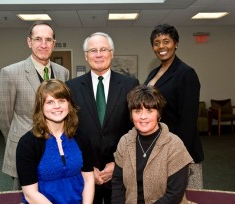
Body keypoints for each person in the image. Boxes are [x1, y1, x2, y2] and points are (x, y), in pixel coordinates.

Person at [0, 21, 69, 189]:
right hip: (24, 148)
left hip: (56, 149)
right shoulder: (10, 73)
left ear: (53, 43)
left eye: (48, 40)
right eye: (38, 39)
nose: (43, 44)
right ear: (29, 42)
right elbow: (2, 115)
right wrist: (16, 138)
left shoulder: (63, 73)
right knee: (25, 195)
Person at [66, 32, 139, 204]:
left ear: (111, 53)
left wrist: (117, 162)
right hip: (85, 171)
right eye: (93, 50)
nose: (98, 54)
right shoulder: (71, 87)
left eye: (103, 49)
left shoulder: (130, 85)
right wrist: (87, 166)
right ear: (86, 56)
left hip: (121, 168)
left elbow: (136, 127)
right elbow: (69, 128)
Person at [144, 23, 204, 189]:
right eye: (156, 43)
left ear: (176, 43)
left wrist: (176, 156)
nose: (161, 47)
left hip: (180, 152)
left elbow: (188, 120)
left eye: (166, 41)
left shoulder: (186, 73)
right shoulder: (154, 72)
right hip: (158, 147)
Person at [111, 84, 193, 203]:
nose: (143, 117)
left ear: (158, 114)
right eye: (137, 111)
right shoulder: (125, 142)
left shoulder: (174, 145)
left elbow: (174, 194)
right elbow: (118, 184)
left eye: (149, 110)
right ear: (131, 115)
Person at [16, 79, 95, 204]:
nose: (57, 106)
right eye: (50, 102)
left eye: (61, 101)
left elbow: (89, 179)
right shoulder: (28, 143)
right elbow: (30, 194)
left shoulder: (82, 136)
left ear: (69, 104)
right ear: (40, 107)